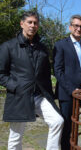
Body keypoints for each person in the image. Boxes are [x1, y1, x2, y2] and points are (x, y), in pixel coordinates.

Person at [0, 11, 64, 150]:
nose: (33, 25)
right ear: (22, 24)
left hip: (39, 96)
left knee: (58, 121)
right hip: (20, 96)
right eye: (29, 22)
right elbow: (1, 73)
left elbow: (46, 73)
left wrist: (49, 93)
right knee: (15, 137)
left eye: (35, 23)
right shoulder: (8, 46)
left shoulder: (42, 48)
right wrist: (15, 86)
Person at [53, 14, 81, 149]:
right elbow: (58, 70)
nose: (79, 28)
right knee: (67, 127)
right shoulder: (60, 45)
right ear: (70, 27)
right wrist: (72, 89)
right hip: (67, 93)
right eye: (76, 25)